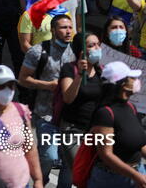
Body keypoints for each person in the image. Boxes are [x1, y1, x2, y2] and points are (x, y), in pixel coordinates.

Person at [17, 13, 76, 183]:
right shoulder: (38, 51)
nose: (68, 31)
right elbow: (23, 79)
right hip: (45, 114)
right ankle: (39, 181)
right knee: (49, 156)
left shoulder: (78, 52)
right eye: (63, 27)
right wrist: (48, 85)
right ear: (53, 30)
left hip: (70, 116)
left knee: (70, 160)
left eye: (70, 27)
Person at [0, 65, 43, 188]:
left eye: (10, 86)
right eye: (1, 86)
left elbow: (30, 148)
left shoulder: (21, 111)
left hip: (20, 184)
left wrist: (38, 180)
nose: (7, 90)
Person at [87, 61, 146, 188]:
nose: (136, 81)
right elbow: (106, 155)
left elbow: (140, 144)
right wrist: (137, 177)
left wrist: (138, 175)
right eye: (132, 78)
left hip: (137, 173)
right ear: (122, 84)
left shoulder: (131, 107)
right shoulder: (105, 113)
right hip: (111, 180)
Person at [56, 33, 103, 188]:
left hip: (94, 132)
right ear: (81, 51)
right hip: (73, 131)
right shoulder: (69, 69)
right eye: (91, 45)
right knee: (82, 173)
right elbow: (68, 98)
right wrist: (80, 76)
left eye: (98, 44)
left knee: (92, 173)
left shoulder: (101, 71)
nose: (97, 48)